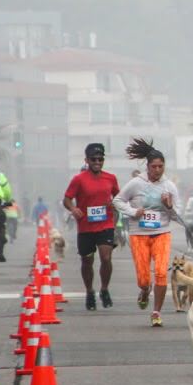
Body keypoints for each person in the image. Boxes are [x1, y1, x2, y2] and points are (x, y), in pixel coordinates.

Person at [113, 138, 179, 327]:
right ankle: (144, 290)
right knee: (143, 278)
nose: (157, 170)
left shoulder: (169, 187)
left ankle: (156, 312)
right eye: (154, 166)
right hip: (139, 233)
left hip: (162, 232)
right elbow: (117, 201)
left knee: (160, 273)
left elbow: (177, 215)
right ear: (147, 166)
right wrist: (134, 212)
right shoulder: (136, 183)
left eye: (161, 166)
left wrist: (169, 207)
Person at [63, 143, 120, 311]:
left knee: (106, 258)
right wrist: (73, 208)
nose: (97, 162)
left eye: (100, 159)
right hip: (86, 227)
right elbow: (66, 199)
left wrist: (115, 204)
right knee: (87, 261)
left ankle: (104, 289)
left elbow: (119, 196)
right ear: (86, 160)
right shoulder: (79, 179)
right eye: (93, 159)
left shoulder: (111, 178)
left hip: (106, 224)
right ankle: (89, 291)